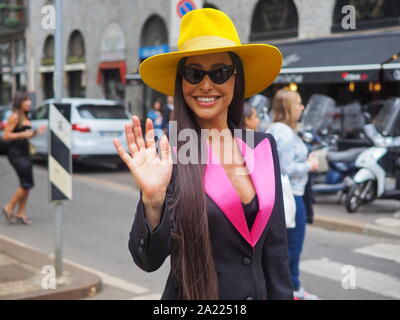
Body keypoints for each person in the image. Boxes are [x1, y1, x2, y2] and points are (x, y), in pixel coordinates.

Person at [113, 8, 293, 300]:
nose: (206, 85)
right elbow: (148, 260)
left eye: (220, 72)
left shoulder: (263, 146)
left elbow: (276, 252)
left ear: (236, 79)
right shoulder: (170, 153)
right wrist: (153, 200)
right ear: (181, 82)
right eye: (194, 73)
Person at [268, 88, 319, 300]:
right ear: (289, 107)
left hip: (281, 196)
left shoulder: (272, 128)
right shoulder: (286, 133)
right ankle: (293, 289)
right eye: (298, 104)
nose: (302, 108)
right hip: (292, 195)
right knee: (293, 247)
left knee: (284, 246)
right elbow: (286, 168)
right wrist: (309, 164)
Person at [2, 92, 46, 225]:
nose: (30, 103)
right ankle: (9, 207)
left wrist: (36, 132)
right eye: (26, 100)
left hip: (25, 152)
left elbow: (26, 135)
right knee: (26, 183)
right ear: (20, 102)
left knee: (26, 184)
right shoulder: (14, 116)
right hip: (16, 153)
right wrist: (23, 134)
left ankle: (21, 212)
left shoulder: (26, 116)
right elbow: (6, 136)